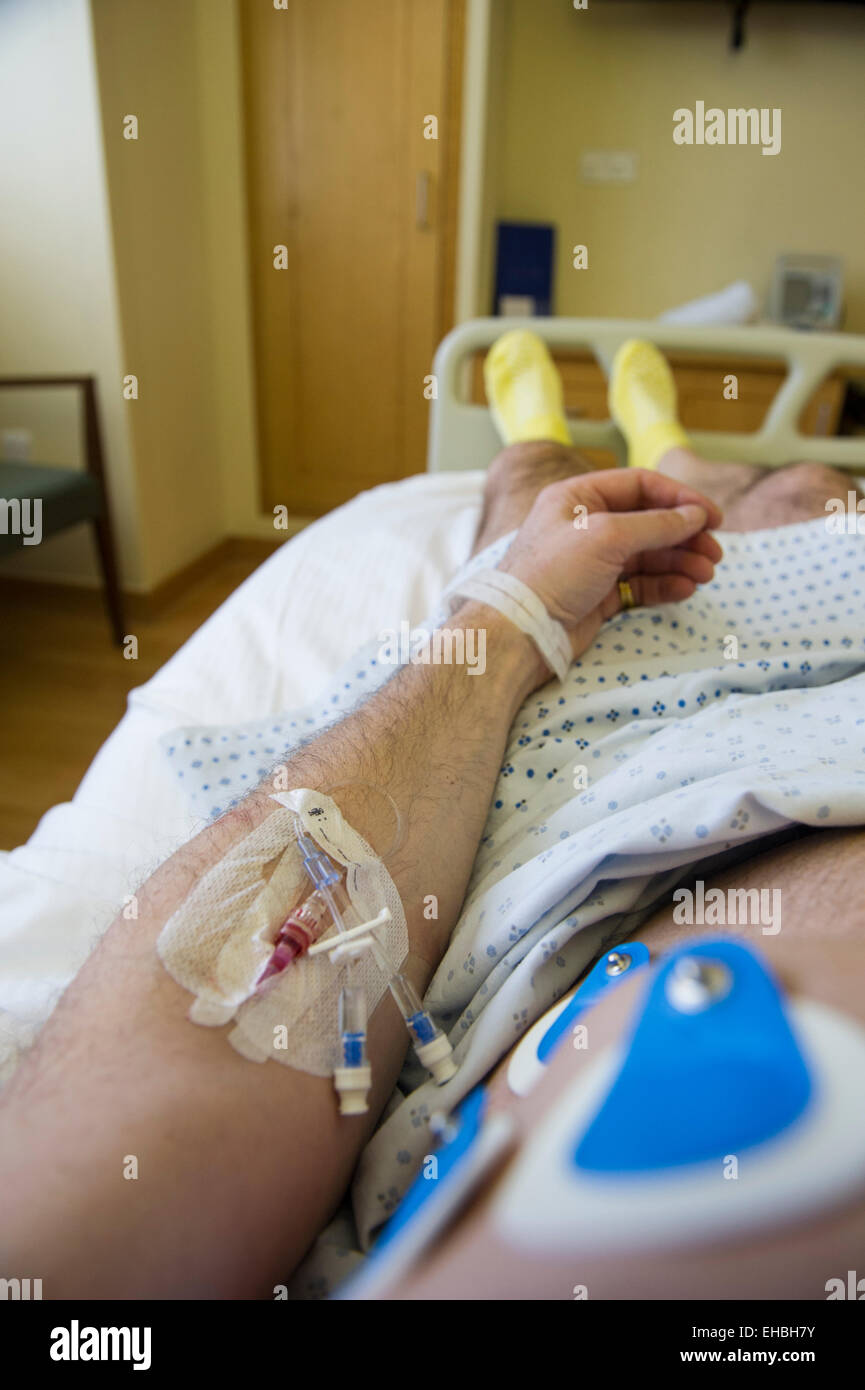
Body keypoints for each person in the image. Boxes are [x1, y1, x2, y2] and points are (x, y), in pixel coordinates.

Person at [0, 335, 861, 1299]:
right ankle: (639, 451)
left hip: (600, 723)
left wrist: (516, 609)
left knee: (538, 496)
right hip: (688, 733)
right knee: (802, 489)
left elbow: (78, 1235)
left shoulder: (66, 1267)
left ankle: (591, 447)